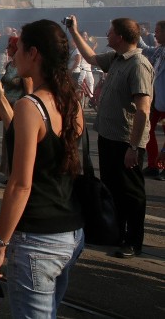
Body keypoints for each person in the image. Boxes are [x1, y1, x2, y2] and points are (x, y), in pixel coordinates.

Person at [0, 20, 85, 318]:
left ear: (34, 53)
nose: (13, 56)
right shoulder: (69, 100)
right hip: (71, 231)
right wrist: (1, 99)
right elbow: (37, 141)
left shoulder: (31, 105)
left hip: (38, 238)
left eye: (19, 48)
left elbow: (20, 185)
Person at [67, 15, 152, 258]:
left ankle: (133, 241)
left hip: (126, 141)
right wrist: (74, 31)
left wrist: (134, 147)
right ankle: (116, 232)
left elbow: (143, 110)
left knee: (132, 193)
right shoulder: (116, 59)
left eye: (111, 31)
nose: (107, 34)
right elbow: (91, 58)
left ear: (121, 37)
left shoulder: (138, 65)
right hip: (109, 137)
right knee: (113, 188)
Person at [0, 36, 32, 176]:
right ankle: (9, 172)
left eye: (10, 47)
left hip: (18, 107)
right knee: (8, 139)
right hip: (6, 105)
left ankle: (17, 173)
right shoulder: (9, 65)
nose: (7, 49)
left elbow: (29, 91)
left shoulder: (24, 68)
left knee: (17, 141)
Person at [141, 20, 165, 181]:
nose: (155, 34)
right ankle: (153, 165)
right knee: (146, 129)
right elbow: (148, 51)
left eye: (158, 31)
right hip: (158, 99)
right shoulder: (160, 49)